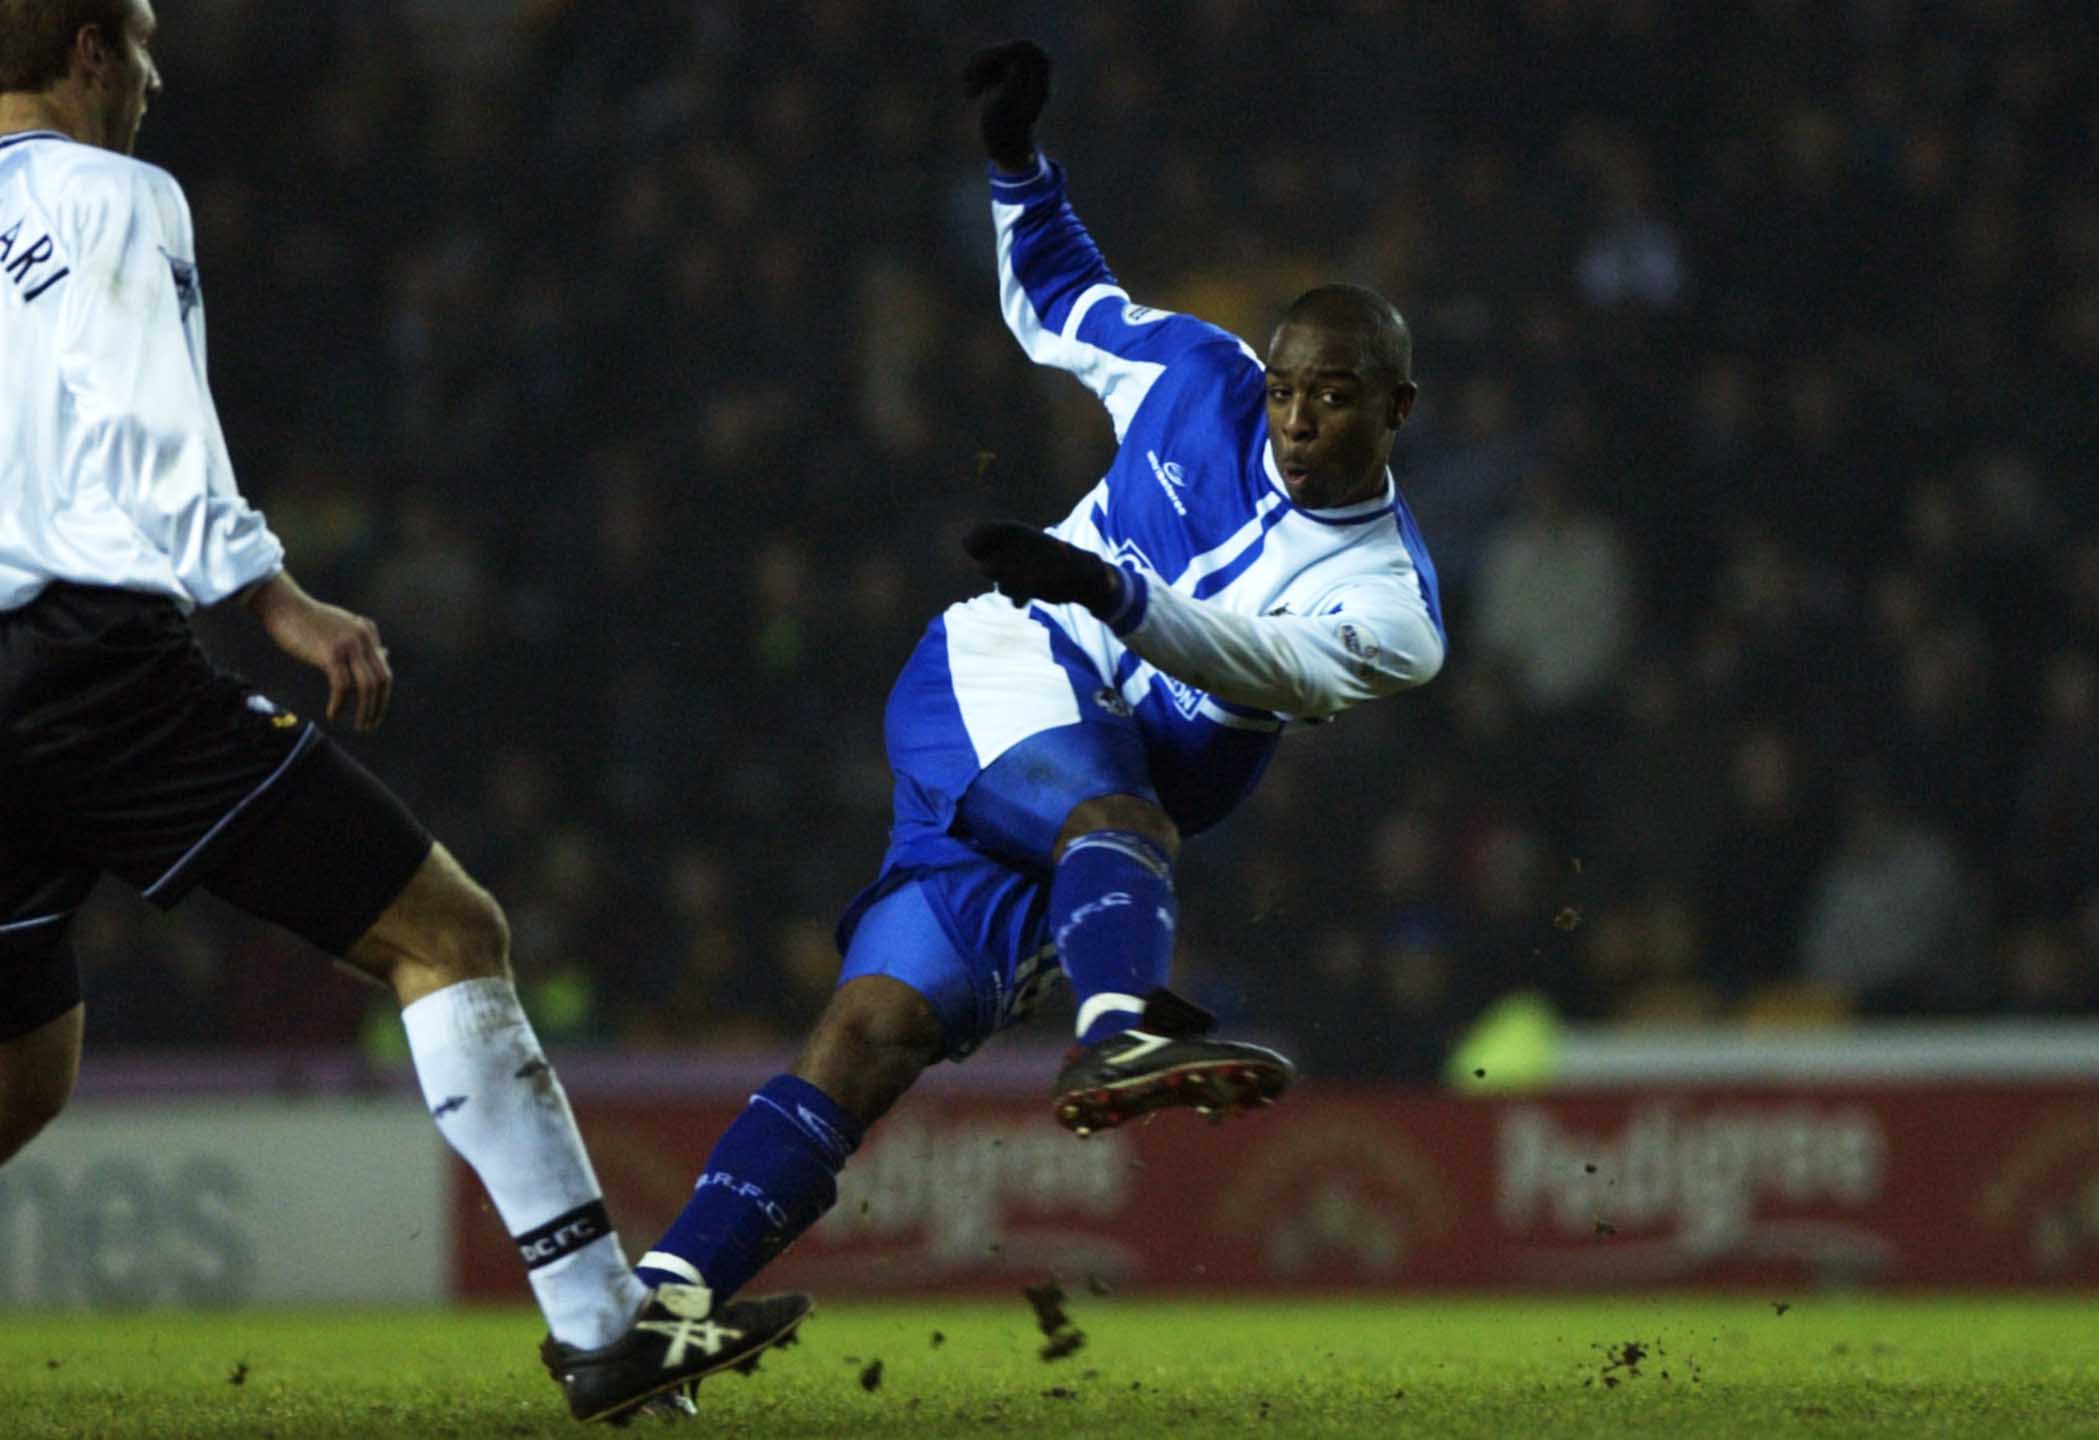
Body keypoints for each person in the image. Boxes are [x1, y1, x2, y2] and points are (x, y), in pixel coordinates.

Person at [0, 3, 804, 1422]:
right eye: (137, 38)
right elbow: (143, 414)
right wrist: (272, 597)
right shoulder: (108, 193)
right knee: (447, 931)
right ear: (83, 52)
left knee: (21, 1071)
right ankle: (605, 1322)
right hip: (89, 671)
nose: (157, 71)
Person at [624, 39, 1445, 1305]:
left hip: (1072, 823)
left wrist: (1117, 588)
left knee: (872, 1038)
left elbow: (1270, 665)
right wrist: (1016, 162)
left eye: (1331, 397)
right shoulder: (1194, 374)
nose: (1291, 417)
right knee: (1118, 810)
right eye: (1284, 388)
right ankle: (1119, 1028)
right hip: (1007, 665)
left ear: (1397, 408)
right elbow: (1062, 300)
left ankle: (662, 1301)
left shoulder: (1392, 606)